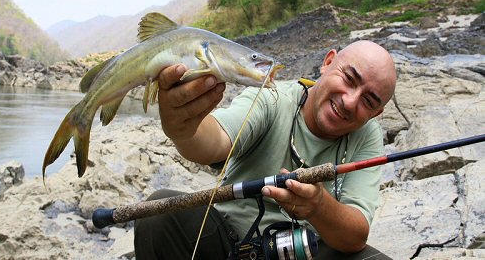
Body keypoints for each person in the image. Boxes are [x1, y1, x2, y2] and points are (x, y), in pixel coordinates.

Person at [134, 40, 397, 259]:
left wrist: (318, 206)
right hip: (227, 240)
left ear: (377, 113)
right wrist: (184, 129)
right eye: (349, 79)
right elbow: (213, 142)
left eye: (368, 101)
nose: (350, 102)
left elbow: (355, 236)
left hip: (304, 250)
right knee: (159, 212)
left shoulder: (367, 136)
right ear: (328, 62)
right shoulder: (272, 97)